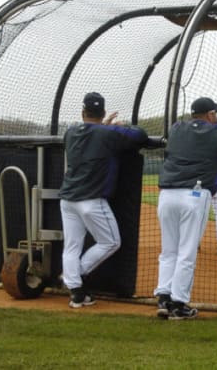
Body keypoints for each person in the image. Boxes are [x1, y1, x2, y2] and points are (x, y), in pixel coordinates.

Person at [59, 92, 148, 308]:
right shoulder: (108, 134)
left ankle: (76, 292)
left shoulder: (70, 132)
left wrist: (104, 127)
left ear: (82, 112)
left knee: (71, 246)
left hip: (68, 199)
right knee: (111, 242)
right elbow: (140, 135)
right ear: (104, 113)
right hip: (91, 200)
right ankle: (76, 274)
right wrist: (112, 126)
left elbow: (90, 134)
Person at [155, 97, 217, 320]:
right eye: (215, 114)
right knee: (186, 252)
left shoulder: (176, 128)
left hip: (167, 195)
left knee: (169, 250)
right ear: (210, 115)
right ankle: (179, 304)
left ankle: (163, 298)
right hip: (194, 194)